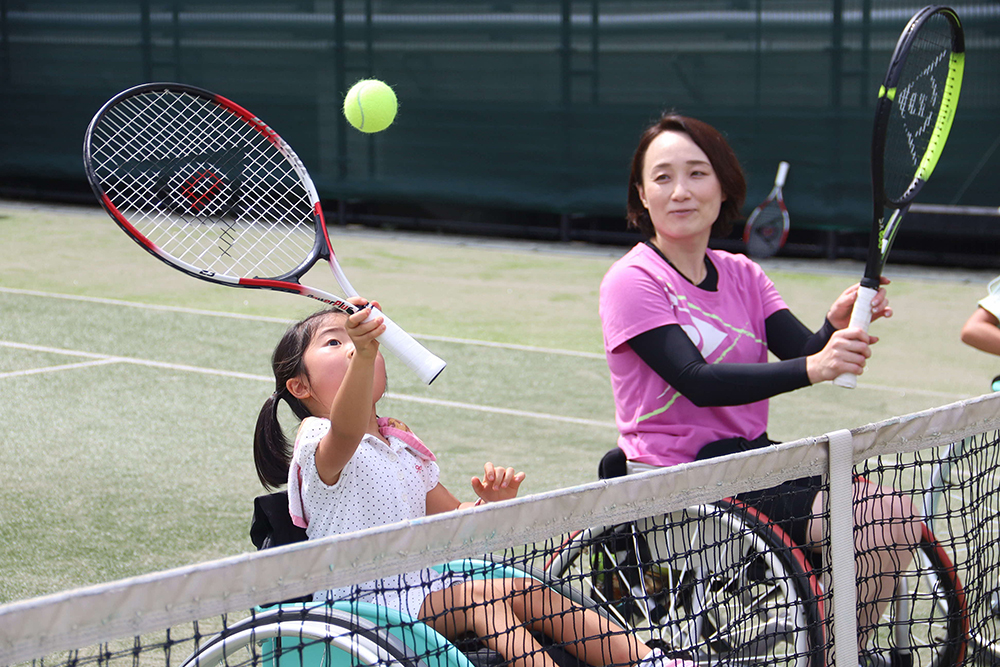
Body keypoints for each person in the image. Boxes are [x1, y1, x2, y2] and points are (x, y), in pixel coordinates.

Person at [598, 113, 922, 650]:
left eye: (697, 173)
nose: (680, 191)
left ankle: (837, 647)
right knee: (880, 522)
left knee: (896, 517)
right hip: (681, 483)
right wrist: (817, 367)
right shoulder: (631, 281)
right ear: (641, 194)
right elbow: (694, 380)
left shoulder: (744, 274)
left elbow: (802, 351)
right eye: (662, 177)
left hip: (754, 464)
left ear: (722, 186)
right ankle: (835, 649)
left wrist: (833, 326)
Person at [253, 302, 688, 667]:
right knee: (477, 599)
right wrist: (363, 354)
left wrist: (487, 506)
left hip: (420, 590)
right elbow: (346, 430)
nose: (353, 347)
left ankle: (653, 661)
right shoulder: (317, 438)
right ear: (300, 386)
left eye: (361, 342)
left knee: (524, 588)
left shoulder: (403, 446)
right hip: (356, 608)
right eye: (335, 341)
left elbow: (455, 518)